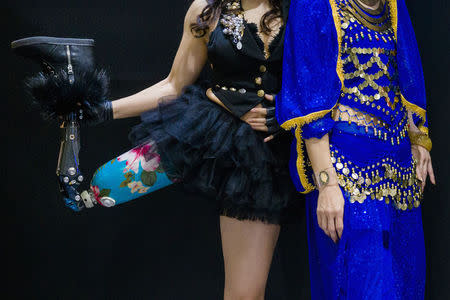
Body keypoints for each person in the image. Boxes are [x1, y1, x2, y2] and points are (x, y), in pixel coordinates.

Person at [64, 0, 297, 298]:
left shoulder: (302, 8)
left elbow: (327, 78)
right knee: (244, 293)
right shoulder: (207, 9)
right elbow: (174, 85)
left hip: (296, 149)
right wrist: (101, 110)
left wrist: (290, 113)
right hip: (227, 146)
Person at [276, 0, 435, 298]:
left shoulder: (392, 4)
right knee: (363, 285)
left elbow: (404, 73)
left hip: (399, 171)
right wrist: (327, 185)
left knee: (405, 282)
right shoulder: (314, 4)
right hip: (347, 171)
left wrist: (418, 139)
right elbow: (311, 101)